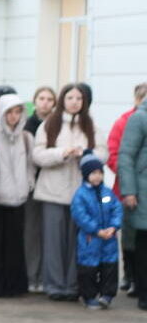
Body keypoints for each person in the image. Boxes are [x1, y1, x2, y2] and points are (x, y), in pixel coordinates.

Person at [32, 83, 107, 302]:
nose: (74, 102)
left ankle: (73, 285)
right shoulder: (49, 124)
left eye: (79, 98)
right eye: (70, 98)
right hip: (52, 191)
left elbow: (103, 154)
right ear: (63, 100)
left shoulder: (91, 126)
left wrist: (86, 154)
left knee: (78, 241)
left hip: (82, 194)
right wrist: (62, 153)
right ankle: (54, 285)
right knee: (53, 242)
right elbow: (38, 155)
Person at [0, 94, 33, 298]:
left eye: (18, 112)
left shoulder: (26, 138)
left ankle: (14, 286)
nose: (13, 116)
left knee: (15, 244)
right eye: (9, 112)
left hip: (18, 198)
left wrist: (28, 185)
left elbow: (30, 165)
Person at [107, 83, 147, 296]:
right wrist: (129, 186)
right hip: (134, 188)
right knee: (134, 238)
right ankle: (134, 281)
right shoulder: (132, 120)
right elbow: (121, 155)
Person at [72, 153, 123, 309]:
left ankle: (107, 294)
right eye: (93, 173)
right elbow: (80, 215)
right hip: (90, 240)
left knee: (109, 267)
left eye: (100, 172)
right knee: (88, 269)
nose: (97, 176)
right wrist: (96, 230)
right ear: (86, 174)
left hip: (109, 238)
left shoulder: (107, 193)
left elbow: (116, 209)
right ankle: (88, 296)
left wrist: (113, 227)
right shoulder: (81, 195)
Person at [23, 86, 56, 293]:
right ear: (34, 101)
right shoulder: (27, 125)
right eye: (41, 98)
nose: (45, 102)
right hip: (31, 186)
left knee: (49, 233)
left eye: (49, 99)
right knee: (31, 232)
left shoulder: (57, 125)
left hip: (52, 184)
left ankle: (45, 276)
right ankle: (31, 275)